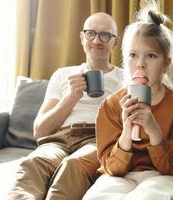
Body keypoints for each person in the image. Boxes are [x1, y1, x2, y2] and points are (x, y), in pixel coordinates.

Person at [82, 6, 173, 200]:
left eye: (151, 55)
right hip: (124, 175)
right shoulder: (111, 105)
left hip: (166, 176)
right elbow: (112, 168)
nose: (140, 63)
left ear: (166, 63)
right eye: (133, 55)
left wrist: (152, 128)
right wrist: (126, 132)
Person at [8, 12, 123, 200]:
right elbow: (39, 131)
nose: (96, 40)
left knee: (74, 165)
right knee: (34, 161)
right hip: (59, 140)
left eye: (105, 35)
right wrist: (70, 98)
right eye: (90, 33)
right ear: (81, 37)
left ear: (115, 42)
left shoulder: (123, 79)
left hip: (97, 139)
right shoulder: (63, 75)